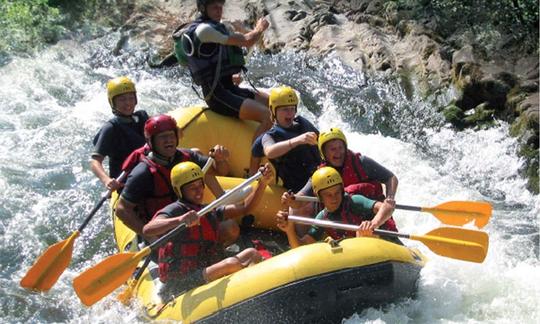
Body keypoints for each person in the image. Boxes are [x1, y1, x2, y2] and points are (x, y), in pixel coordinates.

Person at [142, 162, 273, 292]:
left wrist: (262, 183)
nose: (199, 191)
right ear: (179, 191)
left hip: (205, 267)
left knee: (252, 254)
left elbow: (246, 208)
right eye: (192, 188)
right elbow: (148, 229)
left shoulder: (207, 210)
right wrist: (179, 220)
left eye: (200, 185)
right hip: (181, 280)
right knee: (231, 264)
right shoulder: (175, 210)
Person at [115, 114, 230, 239]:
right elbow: (122, 209)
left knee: (230, 228)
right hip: (164, 229)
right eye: (162, 137)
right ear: (151, 142)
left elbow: (220, 172)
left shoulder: (188, 156)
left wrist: (221, 160)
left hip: (191, 219)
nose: (168, 140)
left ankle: (221, 199)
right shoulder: (143, 172)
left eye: (171, 135)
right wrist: (150, 237)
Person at [179, 0, 272, 142]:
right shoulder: (204, 30)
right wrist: (260, 28)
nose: (219, 10)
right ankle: (255, 160)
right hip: (217, 96)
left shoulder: (215, 27)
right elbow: (247, 40)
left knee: (275, 103)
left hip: (229, 88)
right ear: (203, 9)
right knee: (267, 115)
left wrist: (229, 75)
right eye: (214, 7)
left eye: (220, 7)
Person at [289, 127, 399, 230]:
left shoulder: (361, 162)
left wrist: (389, 198)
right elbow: (300, 199)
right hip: (341, 223)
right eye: (333, 149)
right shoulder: (320, 174)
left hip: (373, 217)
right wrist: (290, 199)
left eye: (340, 148)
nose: (338, 153)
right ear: (324, 153)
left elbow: (391, 178)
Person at [277, 167, 398, 248]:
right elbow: (301, 247)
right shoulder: (323, 218)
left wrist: (372, 224)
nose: (334, 198)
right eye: (328, 195)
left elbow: (386, 207)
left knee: (362, 234)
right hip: (357, 252)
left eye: (337, 192)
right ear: (319, 197)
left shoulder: (353, 201)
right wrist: (289, 229)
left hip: (383, 244)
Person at [254, 86, 321, 192]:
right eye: (285, 109)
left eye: (292, 109)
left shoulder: (303, 124)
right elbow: (270, 151)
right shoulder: (269, 136)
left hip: (320, 175)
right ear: (273, 111)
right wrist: (297, 140)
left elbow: (322, 142)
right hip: (298, 187)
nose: (290, 113)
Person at [90, 76, 149, 191]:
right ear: (113, 102)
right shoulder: (111, 128)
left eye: (131, 98)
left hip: (149, 171)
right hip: (127, 182)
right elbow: (95, 161)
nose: (128, 103)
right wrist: (107, 180)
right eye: (122, 99)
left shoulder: (142, 117)